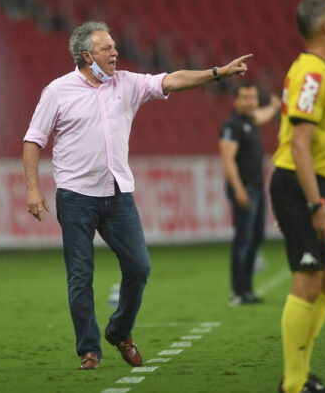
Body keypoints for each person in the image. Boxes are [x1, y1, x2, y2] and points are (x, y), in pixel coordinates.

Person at [23, 21, 251, 370]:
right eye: (106, 48)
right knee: (80, 275)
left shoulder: (127, 83)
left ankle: (119, 331)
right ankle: (89, 349)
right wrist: (33, 188)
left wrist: (216, 72)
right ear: (87, 55)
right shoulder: (57, 91)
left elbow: (172, 79)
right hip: (75, 197)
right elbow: (33, 140)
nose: (115, 52)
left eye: (114, 47)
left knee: (139, 267)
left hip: (118, 194)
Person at [269, 0, 325, 393]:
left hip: (314, 184)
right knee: (308, 280)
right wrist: (315, 204)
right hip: (301, 184)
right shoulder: (313, 74)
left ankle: (297, 375)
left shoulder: (317, 72)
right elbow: (299, 144)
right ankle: (295, 383)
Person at [219, 82, 281, 306]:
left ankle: (247, 288)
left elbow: (263, 115)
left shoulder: (250, 120)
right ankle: (239, 290)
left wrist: (274, 107)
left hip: (256, 187)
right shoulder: (232, 125)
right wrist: (238, 189)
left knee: (256, 238)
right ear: (235, 100)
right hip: (244, 188)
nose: (250, 102)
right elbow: (227, 160)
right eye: (245, 98)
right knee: (243, 239)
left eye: (253, 98)